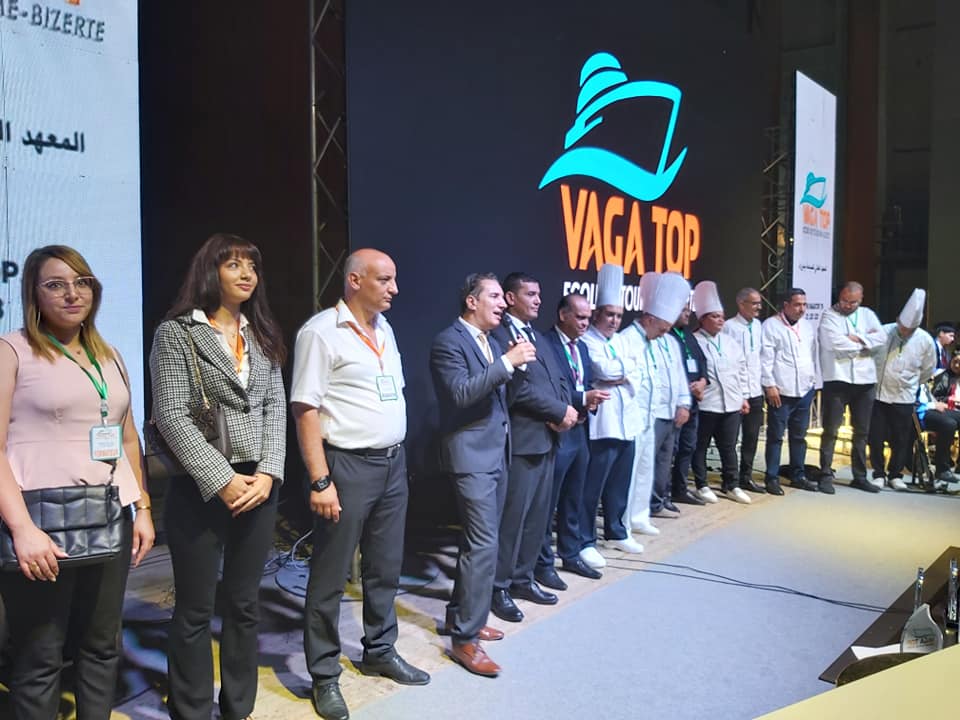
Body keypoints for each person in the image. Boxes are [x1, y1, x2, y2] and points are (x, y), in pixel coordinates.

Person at [0, 245, 154, 720]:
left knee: (102, 647)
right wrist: (22, 530)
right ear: (33, 294)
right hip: (40, 524)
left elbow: (127, 438)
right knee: (39, 658)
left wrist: (143, 509)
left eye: (82, 282)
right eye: (56, 284)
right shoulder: (12, 350)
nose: (72, 293)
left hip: (109, 515)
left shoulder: (109, 355)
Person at [150, 233, 286, 720]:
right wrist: (222, 478)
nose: (246, 274)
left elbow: (275, 408)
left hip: (260, 486)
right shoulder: (177, 333)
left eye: (252, 265)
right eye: (233, 265)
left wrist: (268, 473)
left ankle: (237, 708)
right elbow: (171, 415)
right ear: (211, 272)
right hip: (202, 485)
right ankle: (190, 709)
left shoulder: (262, 333)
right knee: (194, 607)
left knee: (245, 603)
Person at [291, 249, 429, 720]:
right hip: (346, 467)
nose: (394, 289)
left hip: (392, 465)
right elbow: (305, 410)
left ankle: (380, 651)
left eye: (393, 280)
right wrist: (320, 480)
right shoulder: (320, 332)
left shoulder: (384, 329)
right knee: (330, 577)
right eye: (384, 280)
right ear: (354, 280)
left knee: (385, 567)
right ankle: (324, 675)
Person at [430, 273, 537, 677]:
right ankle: (465, 640)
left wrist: (513, 365)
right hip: (471, 457)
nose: (503, 303)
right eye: (494, 296)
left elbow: (500, 396)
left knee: (476, 545)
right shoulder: (449, 341)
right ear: (471, 302)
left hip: (496, 453)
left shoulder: (490, 342)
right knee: (483, 545)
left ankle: (460, 616)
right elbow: (460, 393)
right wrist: (507, 363)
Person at [489, 272, 577, 623]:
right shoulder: (499, 335)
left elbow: (560, 378)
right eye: (530, 294)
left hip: (549, 438)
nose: (538, 300)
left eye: (539, 294)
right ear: (510, 298)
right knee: (513, 520)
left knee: (537, 519)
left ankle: (523, 579)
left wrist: (565, 410)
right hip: (523, 442)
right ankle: (498, 587)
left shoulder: (537, 335)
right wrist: (557, 411)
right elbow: (518, 390)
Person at [536, 293, 608, 579]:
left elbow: (584, 381)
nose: (585, 323)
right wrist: (581, 398)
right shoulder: (545, 344)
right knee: (548, 502)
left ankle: (571, 554)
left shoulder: (583, 348)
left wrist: (590, 401)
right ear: (563, 314)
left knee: (573, 498)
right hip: (556, 431)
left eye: (588, 318)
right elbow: (549, 390)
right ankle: (543, 563)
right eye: (579, 317)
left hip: (580, 431)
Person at [579, 264, 645, 559]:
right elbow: (601, 370)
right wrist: (623, 371)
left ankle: (617, 532)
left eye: (618, 316)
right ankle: (585, 539)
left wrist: (620, 373)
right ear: (597, 314)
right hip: (602, 425)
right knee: (592, 486)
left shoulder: (621, 340)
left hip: (627, 421)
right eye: (609, 315)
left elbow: (637, 372)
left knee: (620, 482)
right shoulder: (586, 339)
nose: (614, 321)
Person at [620, 272, 692, 522]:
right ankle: (625, 519)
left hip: (663, 412)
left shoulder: (668, 341)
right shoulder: (628, 339)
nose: (663, 333)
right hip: (639, 415)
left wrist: (683, 402)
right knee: (634, 469)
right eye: (661, 328)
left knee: (650, 468)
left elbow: (679, 374)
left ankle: (642, 514)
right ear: (650, 319)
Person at [817, 281, 886, 493]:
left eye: (852, 302)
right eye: (844, 300)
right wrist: (865, 344)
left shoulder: (867, 314)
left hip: (865, 381)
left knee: (862, 431)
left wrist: (856, 339)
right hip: (837, 379)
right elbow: (833, 343)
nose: (847, 305)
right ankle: (825, 474)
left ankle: (859, 476)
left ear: (861, 299)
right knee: (831, 430)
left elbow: (882, 338)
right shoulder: (829, 315)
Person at [868, 289, 936, 491]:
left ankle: (895, 474)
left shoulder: (925, 340)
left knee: (901, 438)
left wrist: (911, 383)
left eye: (910, 330)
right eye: (903, 328)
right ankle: (878, 473)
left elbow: (928, 369)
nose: (905, 332)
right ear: (898, 320)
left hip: (904, 396)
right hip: (878, 393)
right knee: (876, 437)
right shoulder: (884, 331)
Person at [691, 281, 752, 504]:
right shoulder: (694, 341)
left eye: (722, 317)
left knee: (729, 447)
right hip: (707, 403)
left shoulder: (729, 341)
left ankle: (731, 485)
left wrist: (743, 396)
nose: (720, 320)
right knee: (700, 446)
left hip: (731, 402)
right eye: (715, 316)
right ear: (703, 319)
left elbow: (741, 370)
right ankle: (702, 484)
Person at [759, 288, 818, 495]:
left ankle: (798, 475)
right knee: (776, 436)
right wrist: (769, 385)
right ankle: (772, 477)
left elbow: (811, 355)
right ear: (786, 305)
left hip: (804, 390)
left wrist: (812, 381)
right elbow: (765, 359)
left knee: (799, 436)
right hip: (781, 391)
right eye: (797, 305)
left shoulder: (807, 326)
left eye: (804, 305)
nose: (802, 309)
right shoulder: (771, 326)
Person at [722, 287, 766, 493]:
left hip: (755, 390)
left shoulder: (758, 326)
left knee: (752, 437)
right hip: (736, 392)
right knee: (730, 439)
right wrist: (739, 393)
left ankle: (745, 477)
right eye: (754, 303)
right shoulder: (729, 327)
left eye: (759, 303)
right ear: (741, 304)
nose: (759, 307)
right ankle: (729, 479)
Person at [668, 301, 709, 505]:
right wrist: (686, 387)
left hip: (693, 402)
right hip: (675, 404)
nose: (688, 314)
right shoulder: (667, 335)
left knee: (688, 447)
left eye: (688, 309)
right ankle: (663, 492)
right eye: (683, 310)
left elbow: (702, 362)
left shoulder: (688, 335)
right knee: (670, 450)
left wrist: (703, 381)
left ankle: (680, 489)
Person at [925, 353, 960, 482]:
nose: (957, 365)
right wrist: (951, 400)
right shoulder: (944, 376)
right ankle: (943, 467)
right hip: (945, 408)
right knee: (948, 424)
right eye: (955, 361)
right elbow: (935, 397)